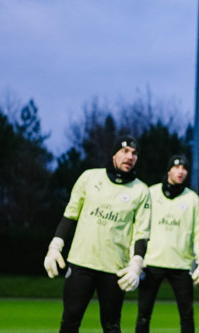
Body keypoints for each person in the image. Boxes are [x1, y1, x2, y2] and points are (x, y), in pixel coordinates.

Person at [43, 135, 152, 333]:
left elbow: (142, 233)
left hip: (115, 269)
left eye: (134, 153)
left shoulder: (141, 190)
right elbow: (70, 215)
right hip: (81, 263)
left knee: (111, 325)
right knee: (69, 321)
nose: (130, 157)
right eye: (125, 151)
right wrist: (55, 246)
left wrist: (136, 264)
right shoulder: (89, 177)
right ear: (113, 154)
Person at [136, 154, 199, 333]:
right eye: (176, 167)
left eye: (184, 168)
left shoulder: (192, 199)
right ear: (169, 170)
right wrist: (135, 257)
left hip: (181, 264)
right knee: (144, 314)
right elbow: (138, 226)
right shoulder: (151, 193)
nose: (180, 171)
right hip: (152, 263)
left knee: (186, 315)